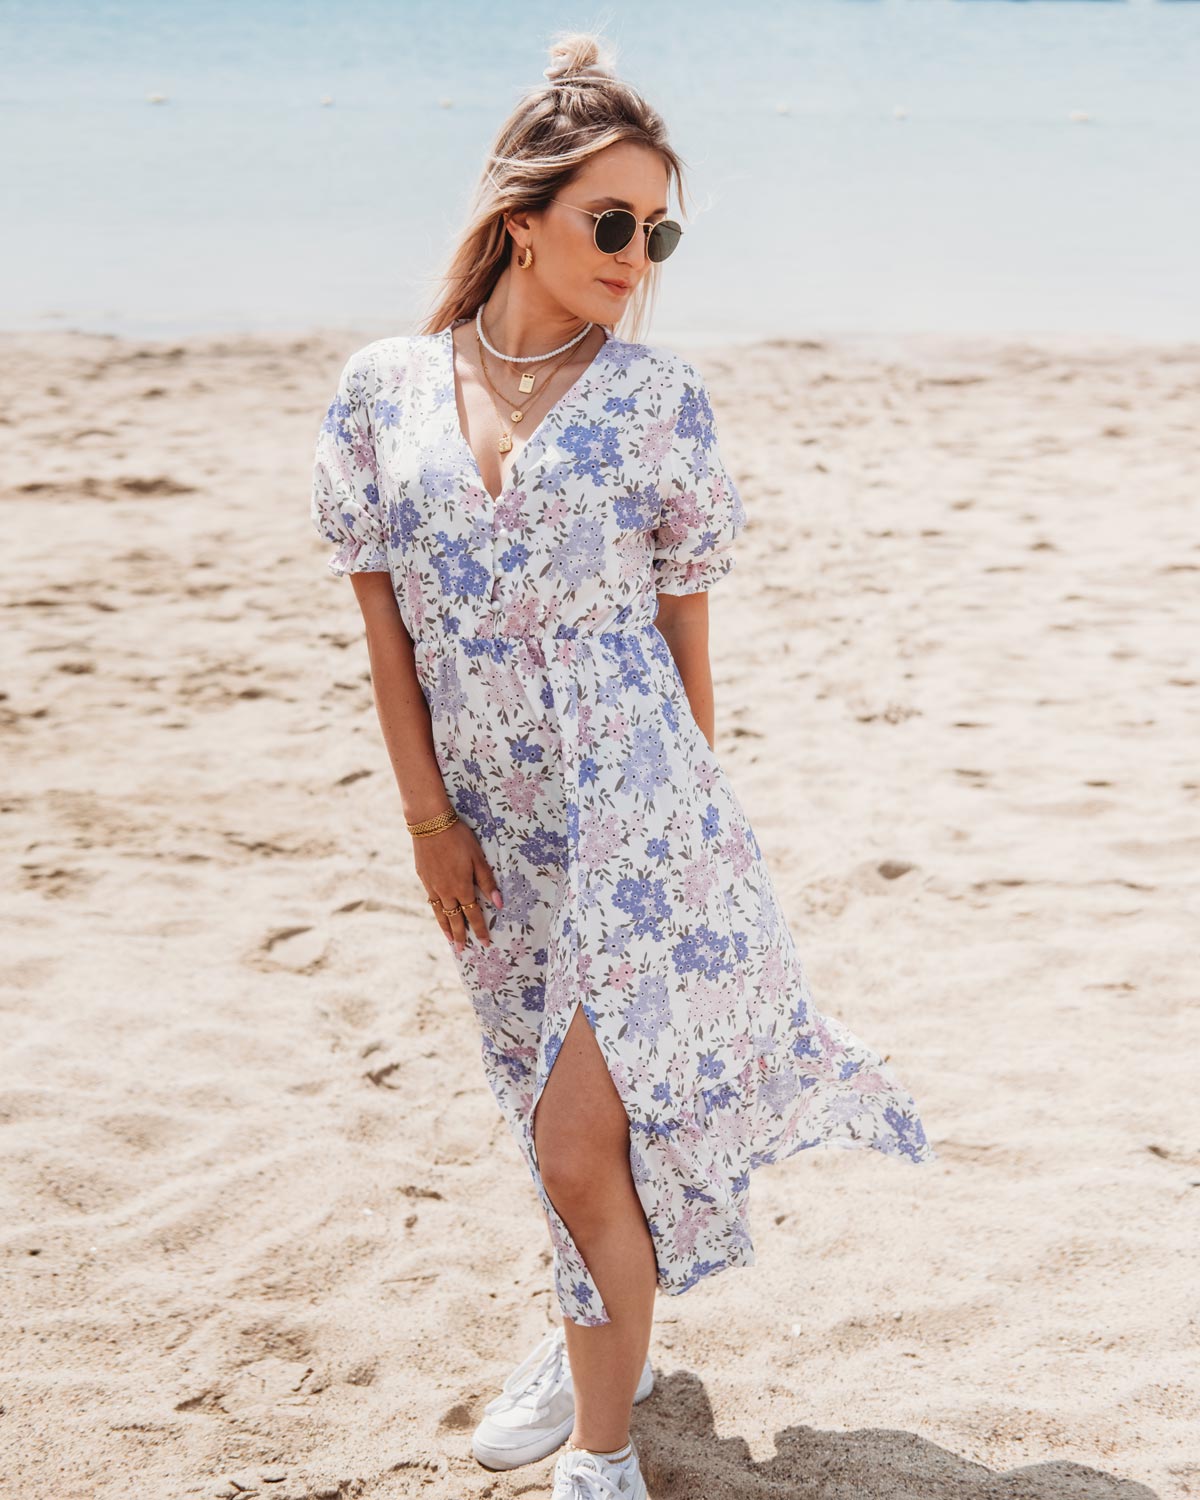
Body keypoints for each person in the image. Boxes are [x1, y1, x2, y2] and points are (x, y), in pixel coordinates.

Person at [310, 29, 937, 1500]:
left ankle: (601, 1461)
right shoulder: (380, 393)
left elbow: (684, 637)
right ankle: (602, 1333)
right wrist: (426, 823)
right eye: (610, 221)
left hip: (642, 824)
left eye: (658, 231)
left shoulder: (661, 401)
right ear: (519, 218)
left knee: (590, 1138)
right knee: (545, 1117)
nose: (637, 254)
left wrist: (686, 829)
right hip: (488, 833)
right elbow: (385, 635)